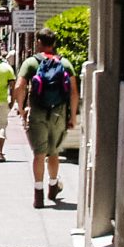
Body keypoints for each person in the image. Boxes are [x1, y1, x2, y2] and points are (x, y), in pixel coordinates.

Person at [13, 27, 79, 208]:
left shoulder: (31, 63)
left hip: (37, 112)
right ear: (54, 44)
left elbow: (19, 86)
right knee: (54, 152)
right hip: (58, 113)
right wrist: (72, 116)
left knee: (39, 153)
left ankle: (38, 193)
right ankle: (53, 186)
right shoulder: (65, 63)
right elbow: (74, 93)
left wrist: (21, 109)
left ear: (38, 43)